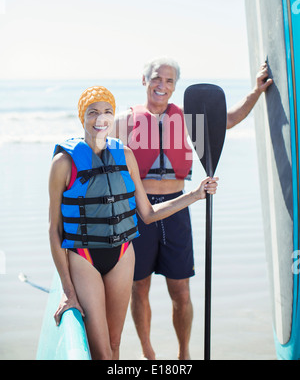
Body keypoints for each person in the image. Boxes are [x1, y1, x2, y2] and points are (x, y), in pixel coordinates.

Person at [113, 57, 272, 360]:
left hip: (176, 208)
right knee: (139, 287)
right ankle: (148, 352)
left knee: (181, 292)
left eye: (170, 81)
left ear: (175, 86)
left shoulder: (185, 118)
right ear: (144, 80)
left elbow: (226, 120)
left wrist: (255, 92)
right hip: (138, 211)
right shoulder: (125, 120)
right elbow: (98, 151)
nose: (163, 85)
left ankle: (184, 354)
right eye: (157, 79)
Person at [48, 85, 219, 361]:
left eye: (107, 112)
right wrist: (68, 291)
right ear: (82, 117)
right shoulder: (63, 163)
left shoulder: (125, 155)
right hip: (84, 256)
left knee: (115, 345)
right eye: (93, 112)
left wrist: (195, 195)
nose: (100, 119)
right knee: (101, 353)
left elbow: (148, 213)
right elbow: (54, 230)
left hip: (123, 255)